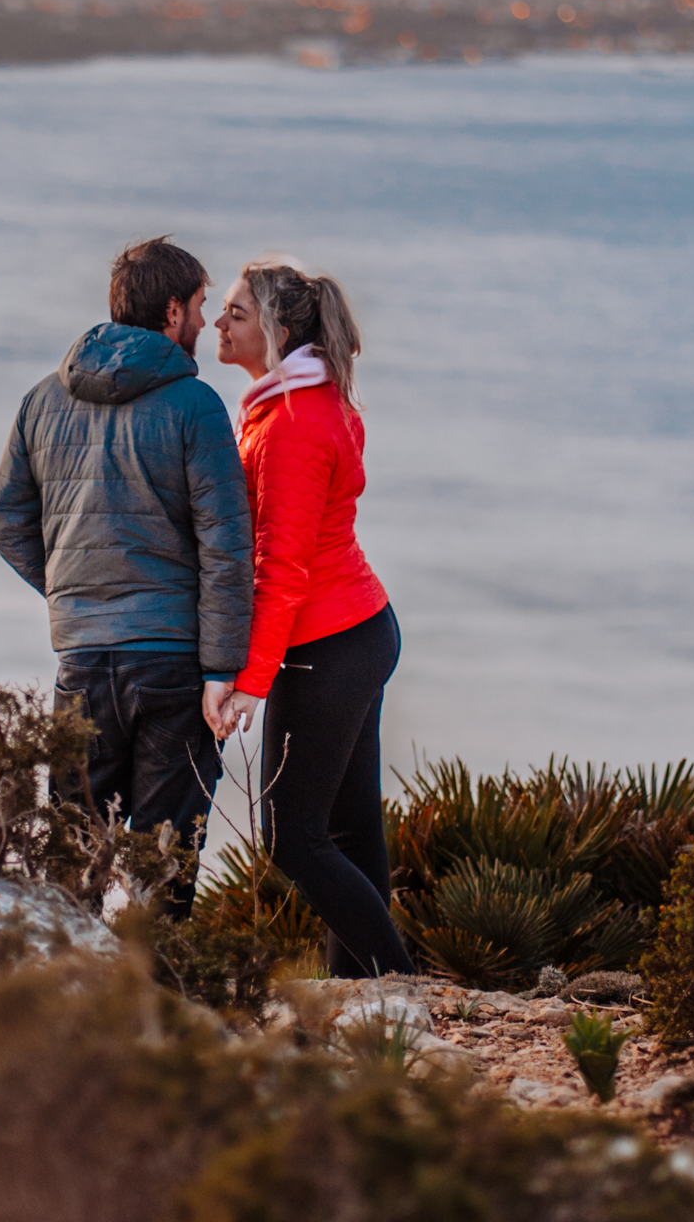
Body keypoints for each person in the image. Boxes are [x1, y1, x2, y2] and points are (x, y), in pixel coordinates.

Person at [0, 237, 252, 910]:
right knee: (164, 864)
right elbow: (227, 547)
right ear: (170, 311)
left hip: (82, 661)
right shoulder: (196, 407)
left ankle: (67, 1005)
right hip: (172, 666)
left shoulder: (40, 401)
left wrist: (77, 591)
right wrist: (224, 670)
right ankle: (157, 1005)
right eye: (197, 307)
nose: (202, 322)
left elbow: (5, 522)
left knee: (72, 857)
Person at [205, 257, 415, 977]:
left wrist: (249, 682)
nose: (217, 323)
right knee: (351, 831)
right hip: (355, 630)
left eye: (235, 313)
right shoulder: (297, 405)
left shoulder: (292, 424)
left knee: (293, 840)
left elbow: (282, 571)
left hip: (327, 643)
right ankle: (369, 992)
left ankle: (399, 985)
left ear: (278, 329)